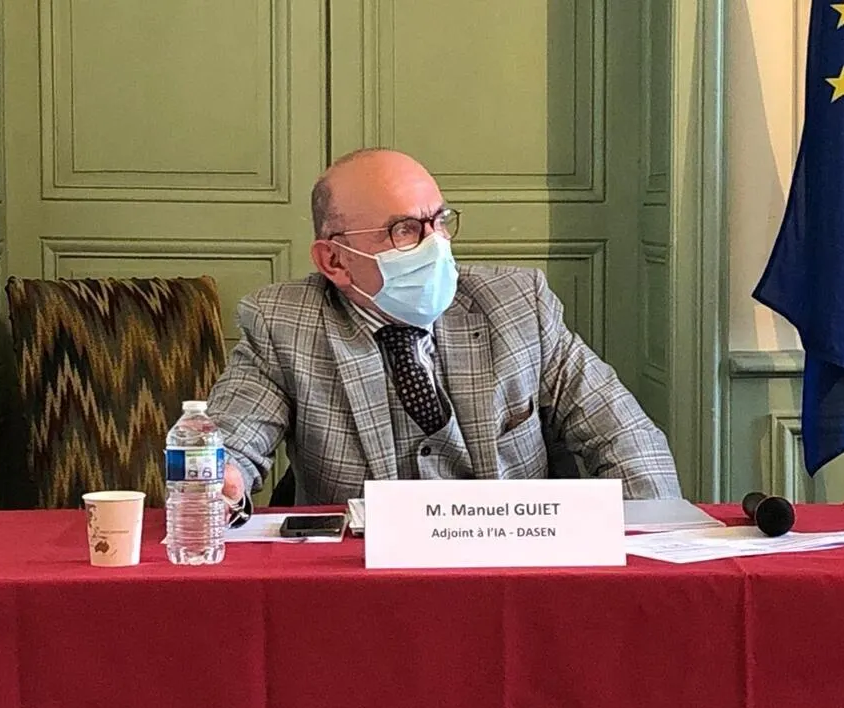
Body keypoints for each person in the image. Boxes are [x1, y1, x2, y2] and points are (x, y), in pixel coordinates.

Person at [209, 148, 681, 511]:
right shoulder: (283, 324)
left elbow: (626, 436)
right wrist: (221, 479)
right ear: (334, 260)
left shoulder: (518, 304)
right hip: (364, 579)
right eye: (404, 230)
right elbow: (231, 442)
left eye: (439, 221)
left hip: (511, 567)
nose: (435, 244)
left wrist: (649, 555)